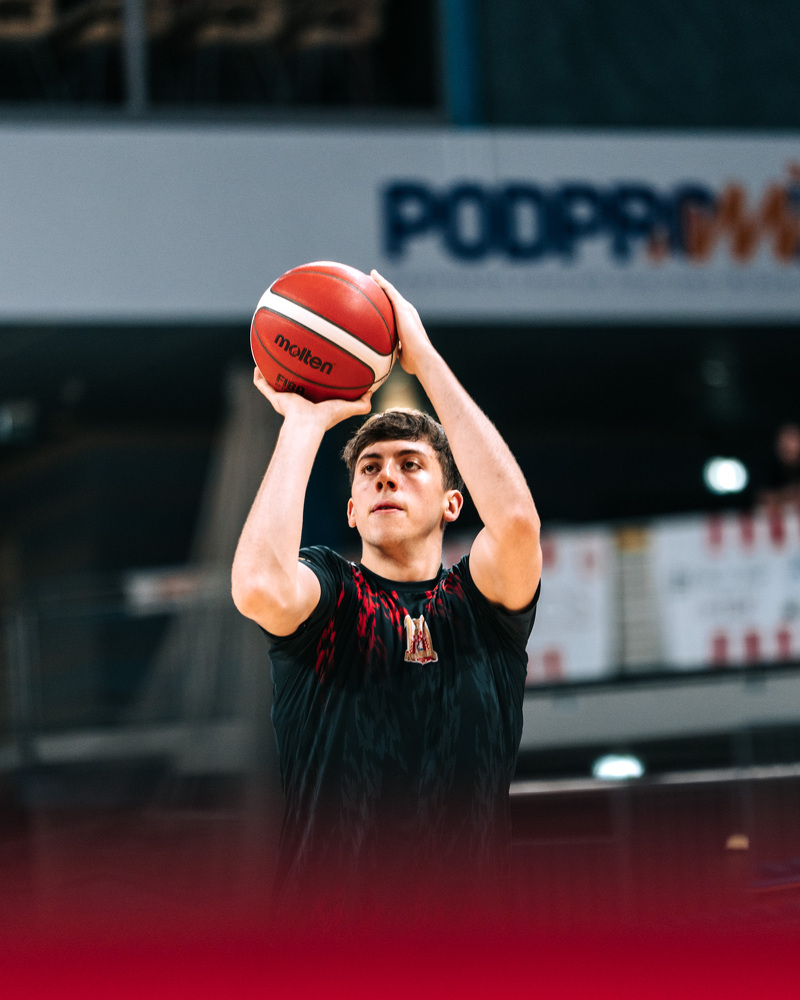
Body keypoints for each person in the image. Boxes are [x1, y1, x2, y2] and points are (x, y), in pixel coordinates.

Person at [231, 271, 542, 920]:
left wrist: (422, 357)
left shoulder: (480, 609)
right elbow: (259, 586)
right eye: (370, 469)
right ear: (351, 510)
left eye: (410, 464)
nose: (386, 478)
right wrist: (303, 422)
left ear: (453, 503)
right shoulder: (332, 596)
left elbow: (515, 522)